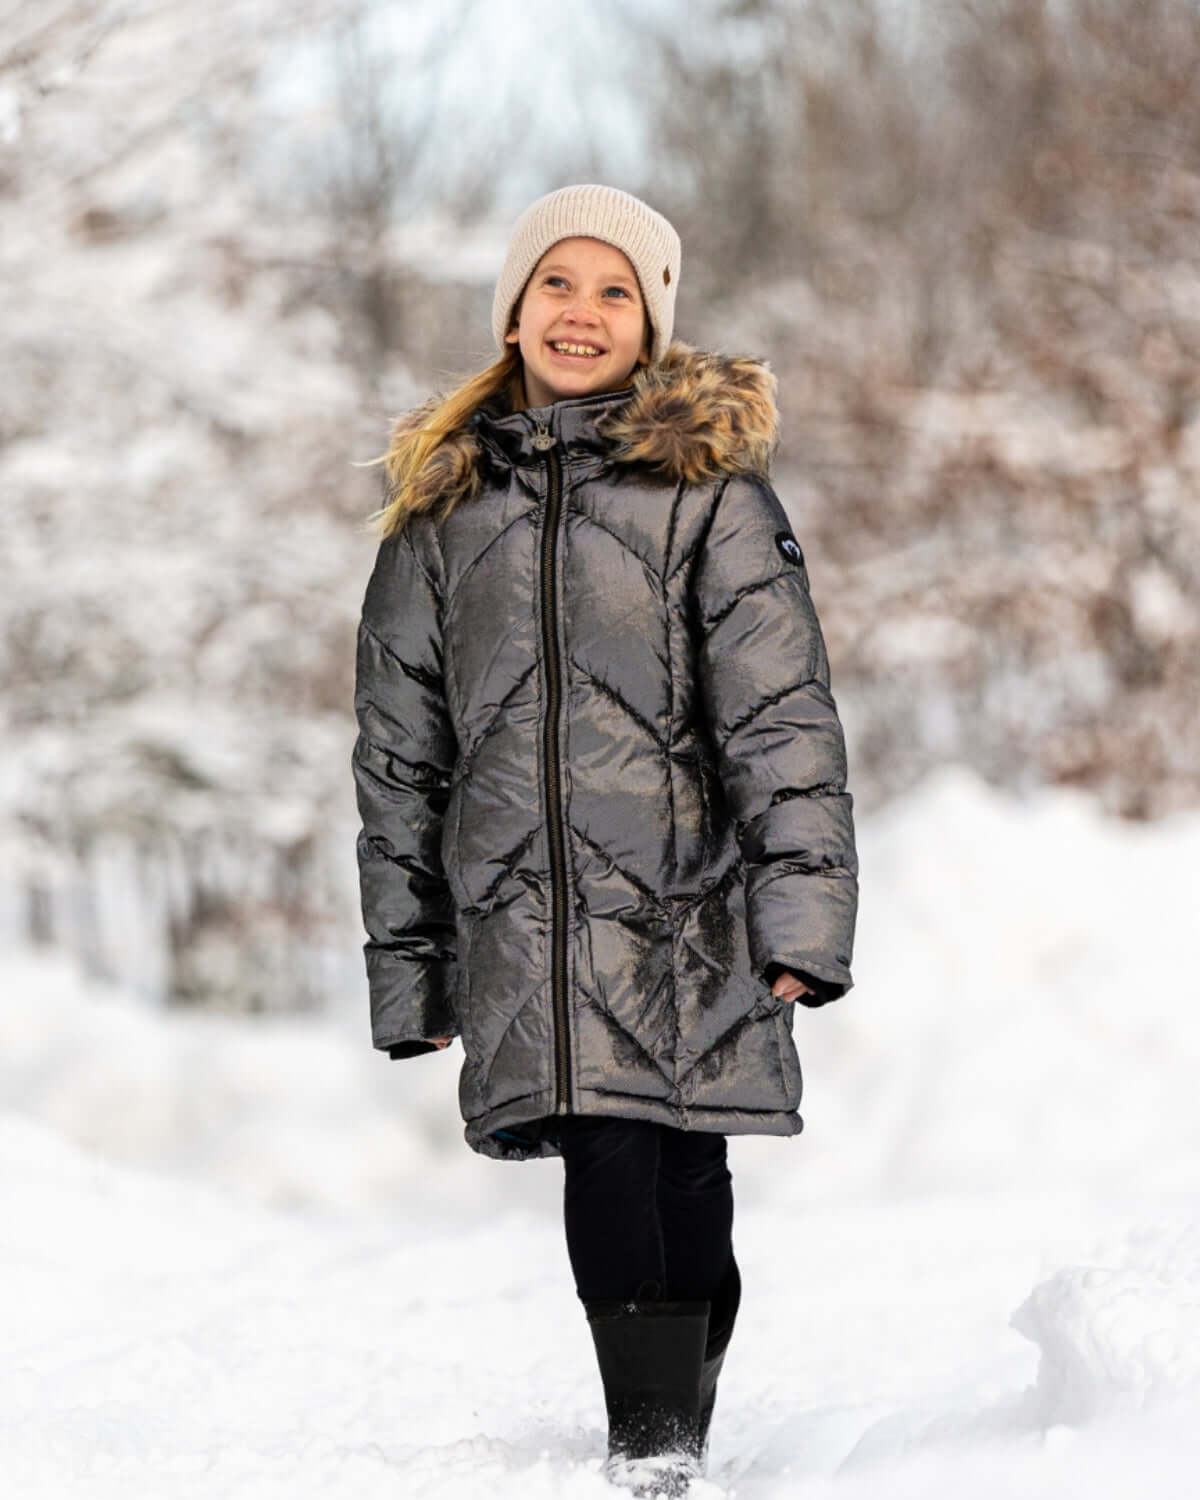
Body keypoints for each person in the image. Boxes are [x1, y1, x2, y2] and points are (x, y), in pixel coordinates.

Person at [351, 184, 858, 1497]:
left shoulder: (711, 495)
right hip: (523, 907)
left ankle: (677, 1414)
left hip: (691, 903)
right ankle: (649, 1451)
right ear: (514, 312)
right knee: (606, 1146)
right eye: (557, 284)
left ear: (651, 322)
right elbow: (402, 757)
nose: (582, 310)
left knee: (689, 1171)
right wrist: (411, 967)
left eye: (614, 289)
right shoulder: (440, 514)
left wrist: (801, 919)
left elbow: (783, 717)